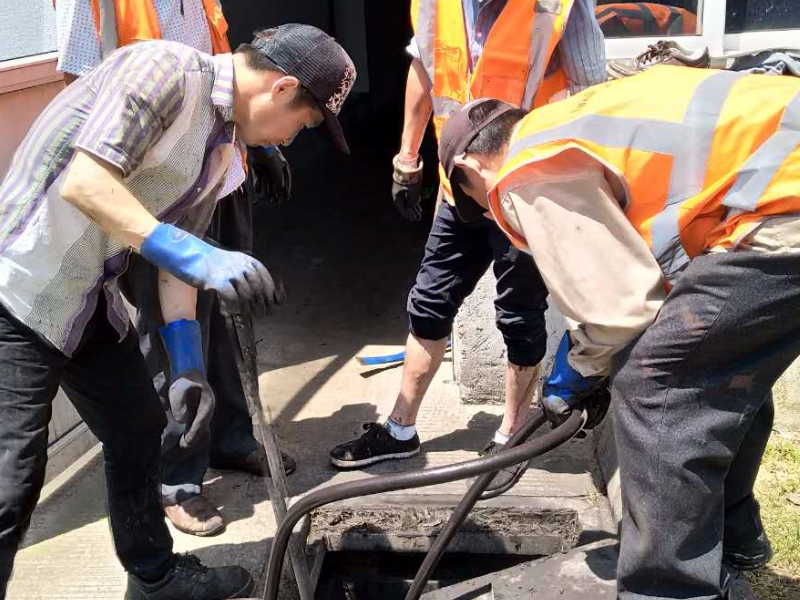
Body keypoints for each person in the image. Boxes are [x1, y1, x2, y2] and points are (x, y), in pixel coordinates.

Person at [0, 24, 355, 599]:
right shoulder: (163, 71)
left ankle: (156, 577)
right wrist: (195, 251)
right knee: (9, 486)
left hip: (86, 302)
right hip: (16, 291)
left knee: (139, 429)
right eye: (303, 124)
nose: (290, 139)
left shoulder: (219, 151)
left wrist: (188, 363)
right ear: (283, 88)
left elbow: (176, 271)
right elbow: (86, 183)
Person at [435, 64, 800, 598]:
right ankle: (733, 538)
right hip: (776, 198)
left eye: (474, 197)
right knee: (714, 362)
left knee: (660, 387)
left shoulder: (528, 165)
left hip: (779, 213)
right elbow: (650, 283)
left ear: (470, 165)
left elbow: (617, 309)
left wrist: (577, 370)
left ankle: (667, 589)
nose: (491, 215)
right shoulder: (578, 123)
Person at [329, 0, 607, 496]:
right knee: (430, 303)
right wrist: (408, 156)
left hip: (523, 187)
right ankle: (400, 430)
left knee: (519, 314)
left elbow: (590, 92)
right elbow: (425, 68)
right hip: (457, 185)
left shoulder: (559, 6)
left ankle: (510, 437)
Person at [55, 0, 296, 537]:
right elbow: (79, 94)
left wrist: (257, 148)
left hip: (218, 173)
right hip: (155, 196)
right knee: (166, 337)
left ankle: (231, 436)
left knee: (228, 314)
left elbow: (228, 75)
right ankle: (177, 476)